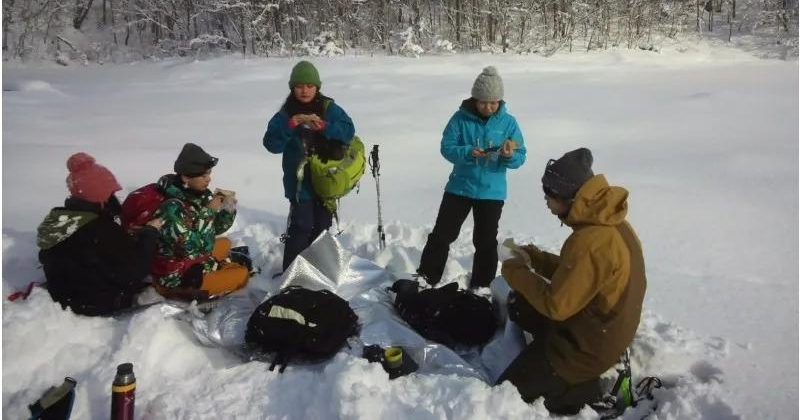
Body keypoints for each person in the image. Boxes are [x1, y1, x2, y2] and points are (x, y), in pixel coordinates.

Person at [496, 148, 647, 415]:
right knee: (520, 304)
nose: (545, 202)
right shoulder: (608, 221)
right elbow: (581, 272)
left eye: (549, 195)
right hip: (604, 327)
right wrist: (536, 258)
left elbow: (557, 306)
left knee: (507, 393)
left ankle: (592, 389)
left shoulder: (589, 241)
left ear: (569, 197)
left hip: (587, 347)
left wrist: (514, 270)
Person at [417, 66, 526, 289]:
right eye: (484, 102)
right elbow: (446, 147)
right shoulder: (460, 119)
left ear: (500, 101)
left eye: (494, 102)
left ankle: (483, 286)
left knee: (485, 242)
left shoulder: (509, 123)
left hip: (491, 192)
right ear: (475, 99)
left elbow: (520, 155)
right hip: (460, 187)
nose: (489, 106)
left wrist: (509, 155)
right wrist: (467, 152)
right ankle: (426, 278)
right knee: (442, 235)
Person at [37, 153, 162, 316]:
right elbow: (133, 271)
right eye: (111, 194)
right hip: (96, 306)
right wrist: (149, 235)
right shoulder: (100, 229)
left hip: (62, 299)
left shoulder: (60, 219)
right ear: (100, 195)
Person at [263, 60, 355, 271]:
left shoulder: (328, 108)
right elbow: (271, 144)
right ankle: (292, 276)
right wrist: (290, 126)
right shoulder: (285, 114)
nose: (304, 91)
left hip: (326, 179)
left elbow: (348, 130)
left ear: (317, 87)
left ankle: (315, 273)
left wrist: (324, 126)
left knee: (322, 228)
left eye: (309, 86)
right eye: (299, 86)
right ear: (292, 88)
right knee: (302, 226)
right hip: (299, 183)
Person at [150, 143, 248, 300]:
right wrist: (209, 211)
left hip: (191, 261)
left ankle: (219, 266)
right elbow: (192, 249)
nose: (209, 179)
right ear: (186, 177)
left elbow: (214, 229)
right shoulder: (172, 208)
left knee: (225, 243)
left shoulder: (196, 194)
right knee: (242, 275)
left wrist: (228, 209)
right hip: (177, 277)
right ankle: (179, 291)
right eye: (203, 176)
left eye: (209, 173)